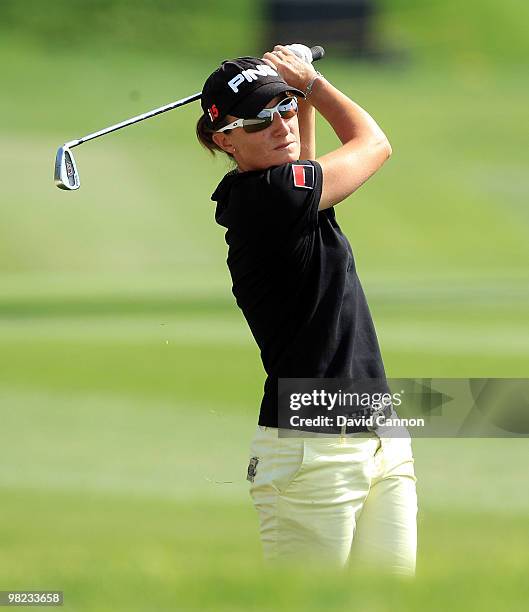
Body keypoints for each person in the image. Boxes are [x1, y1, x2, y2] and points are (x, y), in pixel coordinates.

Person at [196, 46, 418, 575]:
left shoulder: (287, 186)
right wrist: (311, 82)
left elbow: (304, 158)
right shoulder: (267, 198)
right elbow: (374, 144)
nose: (281, 124)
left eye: (285, 108)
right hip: (310, 451)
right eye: (260, 119)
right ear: (224, 138)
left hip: (378, 433)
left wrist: (300, 92)